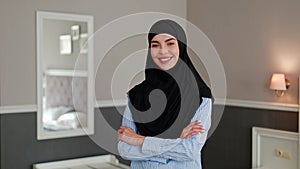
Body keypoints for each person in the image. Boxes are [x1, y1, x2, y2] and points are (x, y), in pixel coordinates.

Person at [117, 19, 213, 169]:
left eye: (170, 43)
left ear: (181, 47)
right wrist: (177, 140)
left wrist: (139, 140)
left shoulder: (200, 96)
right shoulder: (136, 95)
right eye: (155, 45)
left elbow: (189, 151)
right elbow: (125, 149)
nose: (162, 51)